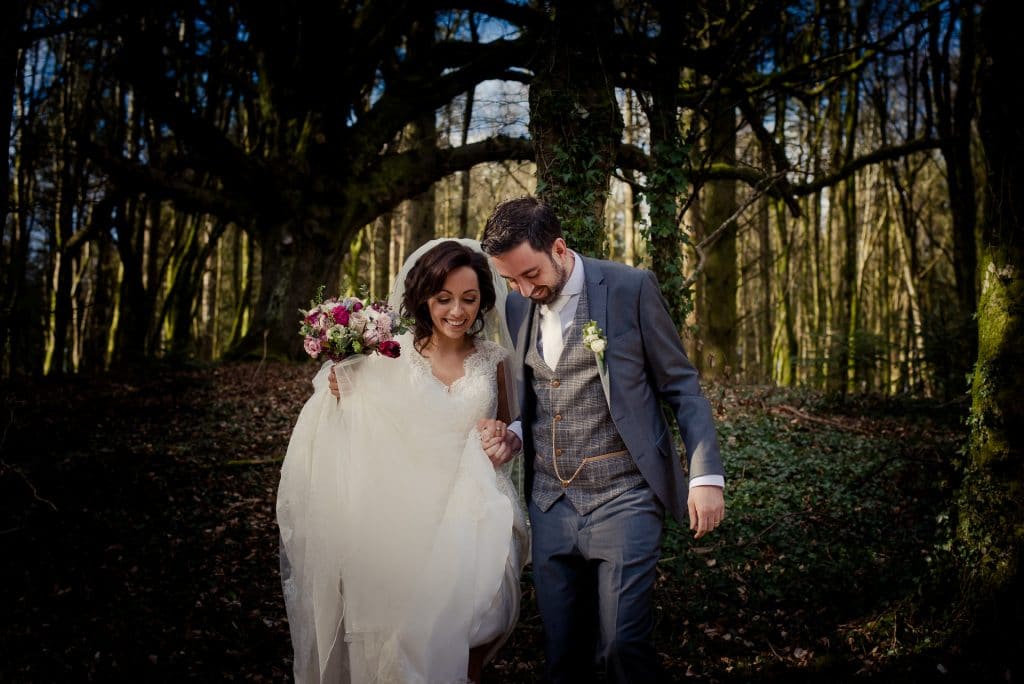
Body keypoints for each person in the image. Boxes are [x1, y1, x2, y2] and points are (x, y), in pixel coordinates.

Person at [479, 196, 726, 683]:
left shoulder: (630, 288)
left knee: (622, 647)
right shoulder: (514, 305)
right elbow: (540, 399)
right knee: (563, 654)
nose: (523, 289)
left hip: (624, 496)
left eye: (530, 274)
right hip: (550, 503)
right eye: (511, 280)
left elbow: (682, 387)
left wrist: (706, 476)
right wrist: (512, 433)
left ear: (560, 247)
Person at [276, 239, 529, 684]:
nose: (457, 311)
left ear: (483, 301)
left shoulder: (496, 361)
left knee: (474, 627)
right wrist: (341, 393)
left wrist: (507, 439)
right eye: (443, 298)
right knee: (408, 641)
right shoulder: (391, 354)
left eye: (469, 299)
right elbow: (360, 427)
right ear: (423, 298)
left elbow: (509, 429)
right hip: (407, 521)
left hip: (477, 513)